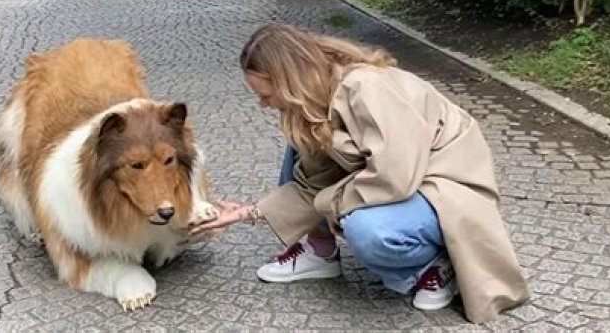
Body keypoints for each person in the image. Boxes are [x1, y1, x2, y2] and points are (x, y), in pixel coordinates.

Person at [191, 23, 530, 323]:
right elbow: (312, 182)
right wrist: (249, 212)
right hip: (405, 181)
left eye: (265, 94)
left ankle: (435, 264)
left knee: (367, 229)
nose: (263, 103)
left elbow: (394, 176)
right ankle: (319, 250)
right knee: (300, 147)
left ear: (289, 81)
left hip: (445, 184)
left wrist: (333, 204)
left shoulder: (366, 87)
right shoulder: (315, 102)